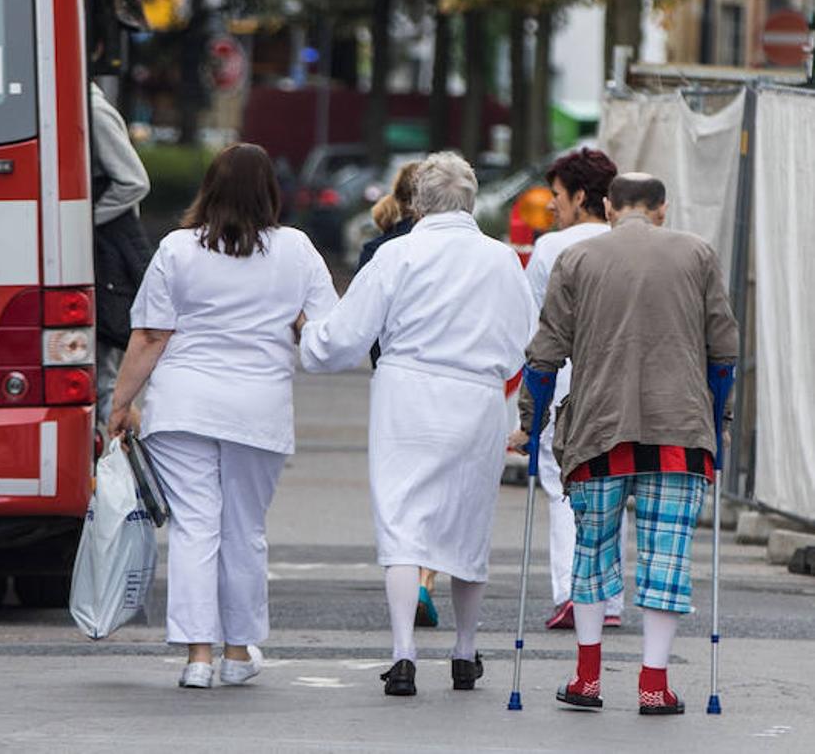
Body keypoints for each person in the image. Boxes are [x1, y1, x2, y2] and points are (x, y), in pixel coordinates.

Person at [299, 152, 535, 697]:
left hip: (407, 393)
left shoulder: (398, 254)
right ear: (471, 201)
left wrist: (309, 339)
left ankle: (403, 652)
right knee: (469, 525)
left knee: (403, 524)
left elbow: (347, 336)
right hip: (476, 397)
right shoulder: (502, 261)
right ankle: (464, 650)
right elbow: (525, 336)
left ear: (418, 202)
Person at [106, 143, 338, 690]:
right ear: (271, 191)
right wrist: (295, 322)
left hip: (183, 405)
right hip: (258, 408)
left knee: (194, 529)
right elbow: (328, 330)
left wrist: (120, 404)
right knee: (245, 532)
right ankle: (239, 652)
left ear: (208, 187)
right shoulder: (298, 250)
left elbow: (150, 336)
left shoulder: (177, 248)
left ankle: (198, 659)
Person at [521, 172, 739, 715]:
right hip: (680, 434)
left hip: (599, 430)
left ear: (611, 209)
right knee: (667, 556)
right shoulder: (698, 255)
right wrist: (720, 419)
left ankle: (588, 680)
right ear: (662, 208)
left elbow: (545, 354)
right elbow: (724, 351)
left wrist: (532, 422)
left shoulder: (578, 260)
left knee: (592, 553)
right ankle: (653, 683)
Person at [515, 148, 626, 631]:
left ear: (581, 196)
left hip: (567, 378)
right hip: (624, 378)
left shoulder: (551, 249)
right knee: (615, 481)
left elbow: (535, 325)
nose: (552, 206)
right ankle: (613, 598)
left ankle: (572, 593)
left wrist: (525, 411)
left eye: (558, 196)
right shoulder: (628, 243)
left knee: (562, 483)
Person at [357, 163, 443, 629]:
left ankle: (409, 584)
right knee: (440, 489)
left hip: (396, 380)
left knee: (403, 492)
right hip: (451, 384)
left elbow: (366, 322)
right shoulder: (460, 247)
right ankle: (428, 579)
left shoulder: (378, 249)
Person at [90, 82, 152, 409]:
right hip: (104, 253)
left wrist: (83, 222)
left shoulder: (93, 110)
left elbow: (134, 181)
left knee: (105, 374)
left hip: (107, 255)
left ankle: (113, 453)